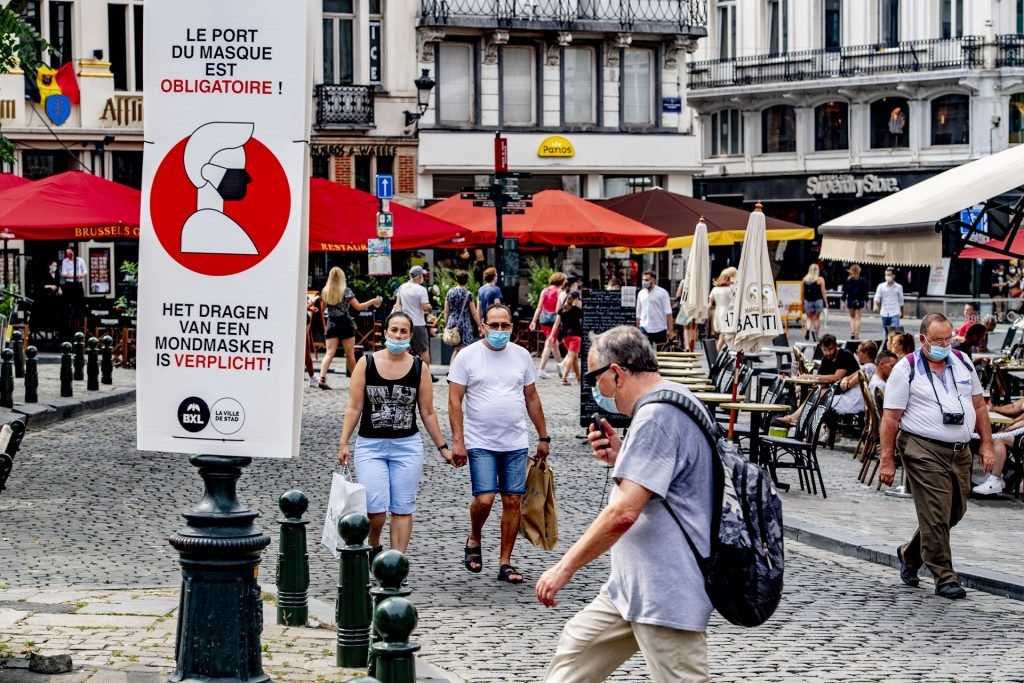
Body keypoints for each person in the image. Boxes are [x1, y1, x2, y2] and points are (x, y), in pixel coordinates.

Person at [536, 325, 713, 682]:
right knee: (574, 655)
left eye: (593, 377)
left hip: (665, 590)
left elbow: (623, 513)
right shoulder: (676, 397)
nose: (593, 389)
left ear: (615, 373)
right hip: (629, 588)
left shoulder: (657, 416)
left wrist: (564, 568)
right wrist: (622, 459)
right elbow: (665, 484)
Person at [880, 313, 995, 599]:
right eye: (938, 340)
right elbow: (891, 419)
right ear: (923, 340)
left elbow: (979, 406)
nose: (945, 344)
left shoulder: (963, 362)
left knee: (954, 511)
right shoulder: (906, 369)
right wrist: (887, 459)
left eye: (949, 338)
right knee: (935, 512)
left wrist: (987, 445)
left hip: (960, 451)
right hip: (922, 448)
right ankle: (944, 576)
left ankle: (909, 554)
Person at [337, 311, 459, 559]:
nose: (398, 335)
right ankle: (374, 543)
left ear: (410, 336)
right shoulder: (366, 363)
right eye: (394, 329)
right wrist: (344, 442)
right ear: (385, 333)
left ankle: (395, 562)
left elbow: (427, 412)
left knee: (403, 508)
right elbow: (354, 406)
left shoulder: (418, 367)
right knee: (375, 510)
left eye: (403, 331)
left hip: (407, 447)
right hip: (371, 446)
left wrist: (443, 447)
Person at [449, 303, 551, 585]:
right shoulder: (467, 356)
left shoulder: (521, 357)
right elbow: (454, 399)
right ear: (483, 326)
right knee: (485, 499)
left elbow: (532, 397)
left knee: (512, 500)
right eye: (494, 325)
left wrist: (543, 436)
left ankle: (505, 561)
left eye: (504, 325)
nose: (499, 330)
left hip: (515, 441)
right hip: (480, 440)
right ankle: (475, 535)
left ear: (511, 327)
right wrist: (458, 441)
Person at [316, 267, 382, 389]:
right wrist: (372, 301)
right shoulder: (346, 291)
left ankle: (322, 378)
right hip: (345, 323)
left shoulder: (325, 291)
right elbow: (359, 307)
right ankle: (356, 381)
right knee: (350, 354)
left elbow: (322, 308)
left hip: (332, 324)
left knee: (329, 353)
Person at [775, 334, 860, 427]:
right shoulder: (826, 359)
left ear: (836, 345)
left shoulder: (845, 355)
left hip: (850, 391)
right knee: (811, 392)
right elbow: (822, 380)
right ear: (821, 347)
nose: (828, 353)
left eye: (831, 349)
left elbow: (836, 377)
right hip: (836, 389)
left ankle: (796, 419)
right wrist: (811, 387)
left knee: (817, 393)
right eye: (825, 350)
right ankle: (802, 422)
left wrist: (809, 376)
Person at [396, 266, 434, 370]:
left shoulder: (402, 287)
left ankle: (404, 373)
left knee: (405, 350)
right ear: (419, 276)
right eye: (423, 275)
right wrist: (430, 308)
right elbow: (425, 307)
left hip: (405, 323)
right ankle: (425, 374)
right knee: (423, 350)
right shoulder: (421, 289)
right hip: (418, 323)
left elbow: (398, 305)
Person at [530, 272, 566, 379]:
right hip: (554, 321)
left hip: (544, 320)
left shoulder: (545, 290)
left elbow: (539, 307)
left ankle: (561, 369)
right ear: (561, 281)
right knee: (550, 343)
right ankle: (541, 369)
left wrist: (533, 320)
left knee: (554, 343)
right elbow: (561, 308)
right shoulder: (560, 291)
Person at [443, 270, 483, 361]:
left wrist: (446, 325)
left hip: (452, 322)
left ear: (456, 279)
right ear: (466, 280)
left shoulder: (450, 292)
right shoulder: (468, 294)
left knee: (457, 349)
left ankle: (453, 369)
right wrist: (480, 325)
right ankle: (457, 370)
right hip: (464, 323)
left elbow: (446, 311)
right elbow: (474, 313)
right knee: (463, 349)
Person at [550, 290, 583, 385]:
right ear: (576, 299)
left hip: (565, 337)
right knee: (571, 357)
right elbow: (581, 324)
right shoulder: (578, 311)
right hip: (575, 336)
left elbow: (556, 323)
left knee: (575, 357)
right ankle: (564, 378)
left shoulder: (562, 310)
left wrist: (552, 335)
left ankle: (579, 378)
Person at [635, 271, 674, 346]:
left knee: (661, 353)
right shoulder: (641, 293)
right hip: (644, 328)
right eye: (643, 280)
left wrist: (670, 330)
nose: (644, 282)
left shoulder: (662, 293)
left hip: (659, 328)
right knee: (645, 353)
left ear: (653, 280)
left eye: (646, 280)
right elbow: (638, 313)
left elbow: (668, 313)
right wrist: (637, 328)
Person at [709, 266, 737, 352]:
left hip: (717, 312)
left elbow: (710, 304)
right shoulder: (729, 290)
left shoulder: (714, 290)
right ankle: (717, 353)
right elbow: (734, 301)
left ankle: (719, 353)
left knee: (723, 335)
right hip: (726, 312)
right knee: (724, 335)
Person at [873, 267, 905, 338]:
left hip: (895, 312)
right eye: (886, 275)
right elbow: (877, 296)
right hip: (884, 312)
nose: (887, 277)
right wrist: (875, 305)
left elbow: (901, 300)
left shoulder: (899, 287)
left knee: (894, 332)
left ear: (893, 276)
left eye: (889, 275)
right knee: (886, 332)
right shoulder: (881, 286)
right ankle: (887, 346)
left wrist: (902, 312)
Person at [802, 263, 828, 341]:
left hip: (808, 301)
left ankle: (808, 330)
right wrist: (826, 302)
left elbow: (803, 292)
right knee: (816, 318)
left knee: (809, 318)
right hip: (818, 300)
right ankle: (816, 335)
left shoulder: (805, 279)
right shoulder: (820, 279)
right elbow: (823, 291)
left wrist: (803, 301)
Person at [841, 264, 868, 339]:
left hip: (850, 300)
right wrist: (867, 301)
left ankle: (852, 332)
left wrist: (843, 302)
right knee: (858, 318)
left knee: (852, 318)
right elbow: (865, 292)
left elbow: (845, 292)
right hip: (860, 300)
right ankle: (857, 335)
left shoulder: (848, 280)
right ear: (859, 271)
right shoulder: (862, 280)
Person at [674, 278, 700, 352]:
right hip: (695, 306)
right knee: (694, 328)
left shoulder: (684, 281)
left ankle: (687, 346)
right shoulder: (699, 280)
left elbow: (678, 295)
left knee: (686, 328)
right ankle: (692, 347)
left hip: (685, 305)